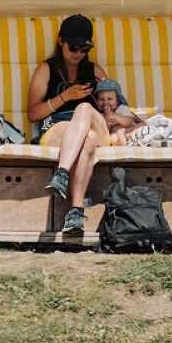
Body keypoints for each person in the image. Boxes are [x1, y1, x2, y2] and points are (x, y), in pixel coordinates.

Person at [25, 14, 109, 234]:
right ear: (61, 41)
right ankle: (76, 212)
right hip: (58, 128)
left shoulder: (95, 71)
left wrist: (106, 93)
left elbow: (114, 104)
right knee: (87, 139)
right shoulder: (47, 69)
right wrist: (64, 97)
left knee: (83, 110)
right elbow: (33, 113)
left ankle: (61, 174)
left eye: (84, 49)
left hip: (95, 125)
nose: (78, 54)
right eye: (73, 48)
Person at [93, 78, 145, 145]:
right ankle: (120, 142)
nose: (105, 102)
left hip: (131, 130)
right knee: (112, 137)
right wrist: (106, 118)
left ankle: (131, 136)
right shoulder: (100, 114)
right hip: (117, 134)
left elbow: (128, 122)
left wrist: (114, 115)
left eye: (109, 99)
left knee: (141, 125)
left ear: (118, 100)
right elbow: (104, 131)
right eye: (101, 99)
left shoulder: (122, 108)